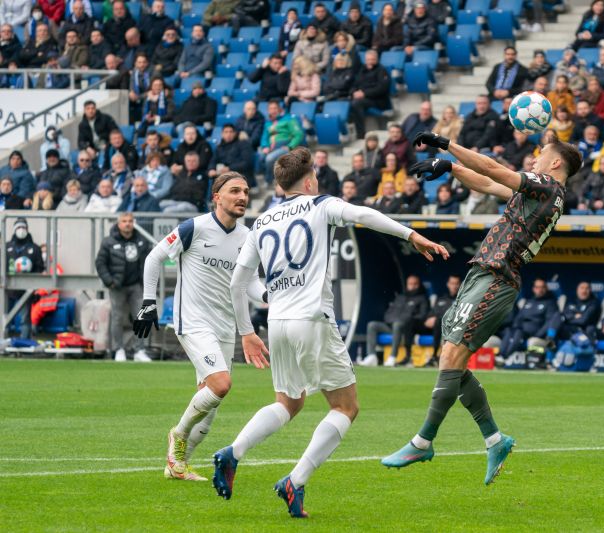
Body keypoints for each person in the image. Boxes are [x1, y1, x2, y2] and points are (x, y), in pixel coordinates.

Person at [211, 147, 447, 517]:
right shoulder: (319, 204)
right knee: (346, 407)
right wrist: (410, 235)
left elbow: (238, 283)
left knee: (289, 403)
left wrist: (246, 332)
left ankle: (232, 452)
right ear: (309, 180)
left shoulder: (262, 221)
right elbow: (363, 214)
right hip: (312, 320)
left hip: (277, 324)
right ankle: (296, 480)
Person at [382, 131, 582, 484]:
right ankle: (495, 440)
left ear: (555, 163)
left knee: (451, 357)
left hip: (497, 277)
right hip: (482, 274)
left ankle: (422, 441)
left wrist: (446, 145)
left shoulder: (548, 186)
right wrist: (451, 168)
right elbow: (490, 184)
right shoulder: (542, 195)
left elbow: (494, 169)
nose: (533, 160)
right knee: (451, 358)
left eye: (540, 155)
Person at [132, 172, 259, 480]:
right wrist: (149, 302)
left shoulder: (248, 237)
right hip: (193, 320)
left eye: (245, 191)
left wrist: (272, 295)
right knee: (221, 384)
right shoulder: (195, 227)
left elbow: (251, 283)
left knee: (211, 400)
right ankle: (177, 434)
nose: (242, 196)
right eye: (234, 191)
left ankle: (178, 466)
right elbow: (154, 258)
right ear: (217, 197)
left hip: (225, 326)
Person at [94, 212, 151, 362]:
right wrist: (109, 281)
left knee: (141, 317)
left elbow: (149, 262)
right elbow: (100, 263)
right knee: (117, 318)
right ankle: (118, 349)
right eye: (124, 221)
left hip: (136, 285)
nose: (127, 224)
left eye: (130, 221)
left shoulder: (141, 240)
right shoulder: (108, 241)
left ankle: (140, 350)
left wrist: (146, 281)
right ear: (119, 224)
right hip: (117, 286)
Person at [363, 274, 431, 367]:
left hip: (406, 329)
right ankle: (371, 356)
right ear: (407, 284)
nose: (412, 286)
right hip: (392, 325)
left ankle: (393, 357)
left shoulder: (422, 299)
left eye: (415, 284)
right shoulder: (400, 297)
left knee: (397, 324)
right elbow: (388, 312)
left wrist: (405, 320)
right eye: (410, 284)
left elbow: (422, 316)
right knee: (372, 325)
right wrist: (391, 320)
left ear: (419, 285)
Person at [498, 278, 559, 358]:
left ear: (546, 288)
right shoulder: (529, 302)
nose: (540, 290)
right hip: (521, 330)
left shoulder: (550, 303)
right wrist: (515, 327)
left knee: (518, 333)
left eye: (542, 287)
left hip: (535, 332)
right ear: (534, 289)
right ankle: (501, 356)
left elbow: (549, 322)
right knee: (510, 331)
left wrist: (538, 335)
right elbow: (519, 318)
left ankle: (504, 357)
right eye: (537, 287)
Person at [5, 218, 45, 338]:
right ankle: (3, 342)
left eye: (23, 227)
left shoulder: (35, 248)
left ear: (27, 229)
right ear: (14, 229)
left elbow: (40, 268)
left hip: (26, 291)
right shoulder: (6, 247)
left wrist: (34, 286)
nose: (21, 230)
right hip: (8, 289)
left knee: (25, 318)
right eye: (18, 227)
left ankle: (25, 343)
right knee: (4, 317)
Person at [350, 49, 391, 139]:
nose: (370, 61)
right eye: (368, 59)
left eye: (372, 59)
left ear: (376, 59)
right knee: (350, 102)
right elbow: (355, 84)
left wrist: (364, 93)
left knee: (356, 103)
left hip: (378, 100)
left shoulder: (381, 70)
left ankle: (361, 135)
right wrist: (354, 92)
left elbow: (382, 88)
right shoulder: (362, 70)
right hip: (364, 99)